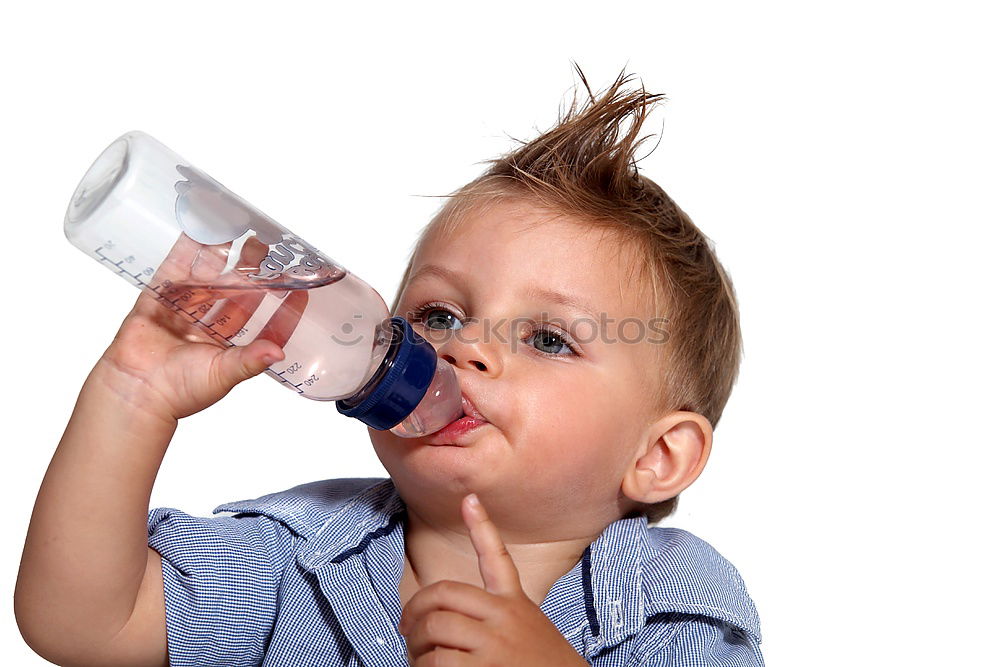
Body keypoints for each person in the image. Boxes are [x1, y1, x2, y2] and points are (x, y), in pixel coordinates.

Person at [15, 69, 764, 666]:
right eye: (439, 316)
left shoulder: (672, 605)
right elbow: (82, 625)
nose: (464, 349)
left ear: (658, 455)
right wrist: (133, 396)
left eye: (548, 339)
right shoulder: (295, 556)